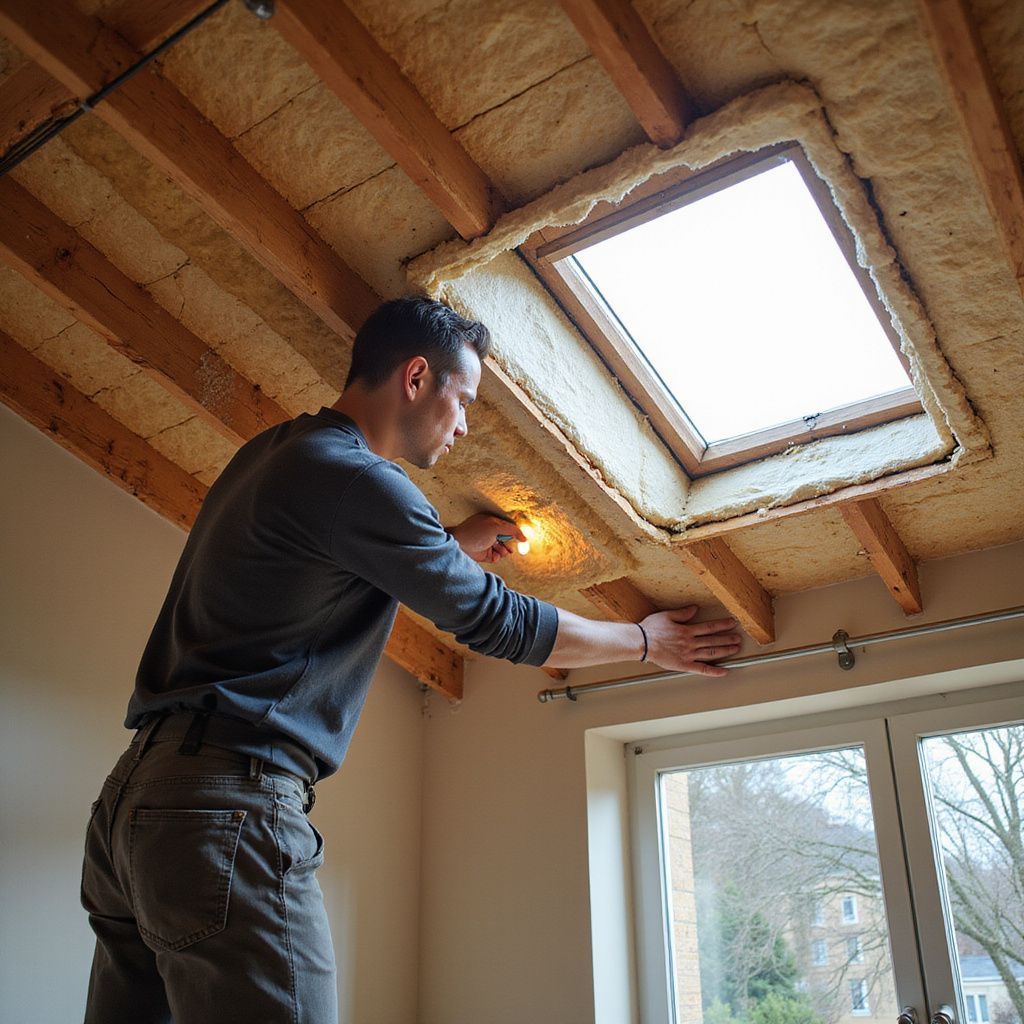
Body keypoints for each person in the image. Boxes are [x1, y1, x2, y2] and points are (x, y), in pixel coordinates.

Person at [81, 297, 742, 1023]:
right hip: (226, 805)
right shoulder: (360, 479)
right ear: (418, 377)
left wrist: (443, 548)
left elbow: (312, 580)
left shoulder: (273, 453)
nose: (464, 425)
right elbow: (498, 620)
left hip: (133, 807)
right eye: (464, 400)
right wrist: (645, 642)